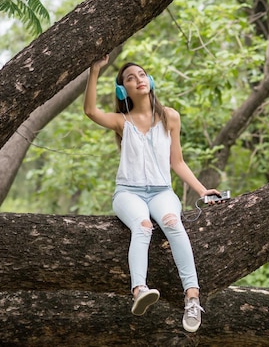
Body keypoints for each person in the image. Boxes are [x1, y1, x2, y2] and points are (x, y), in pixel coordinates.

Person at [84, 55, 220, 332]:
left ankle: (192, 298)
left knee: (172, 222)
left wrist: (203, 191)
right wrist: (94, 70)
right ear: (123, 90)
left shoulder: (170, 117)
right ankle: (139, 290)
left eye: (142, 74)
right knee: (143, 227)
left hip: (161, 191)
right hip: (128, 194)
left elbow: (177, 162)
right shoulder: (122, 122)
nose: (138, 80)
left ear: (150, 80)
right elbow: (90, 112)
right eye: (130, 78)